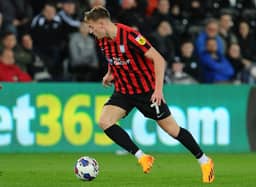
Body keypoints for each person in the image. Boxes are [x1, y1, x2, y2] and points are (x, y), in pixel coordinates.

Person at [83, 6, 214, 183]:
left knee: (173, 130)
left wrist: (158, 90)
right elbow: (113, 58)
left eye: (91, 27)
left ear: (101, 24)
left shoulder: (130, 36)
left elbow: (159, 59)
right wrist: (110, 73)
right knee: (104, 121)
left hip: (147, 92)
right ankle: (142, 157)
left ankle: (204, 161)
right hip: (124, 90)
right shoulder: (103, 40)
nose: (90, 31)